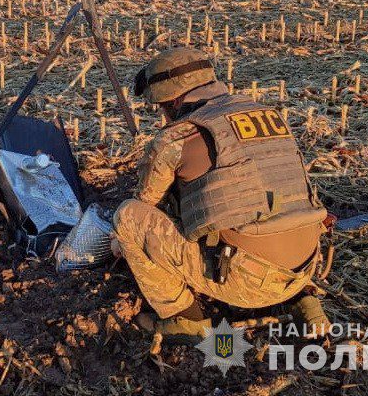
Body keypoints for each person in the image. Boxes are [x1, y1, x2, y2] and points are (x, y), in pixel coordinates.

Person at [111, 48, 330, 343]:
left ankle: (186, 320)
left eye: (162, 107)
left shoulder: (177, 136)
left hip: (246, 281)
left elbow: (146, 202)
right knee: (271, 206)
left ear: (173, 101)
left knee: (128, 217)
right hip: (303, 267)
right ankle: (305, 303)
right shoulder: (268, 115)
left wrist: (117, 242)